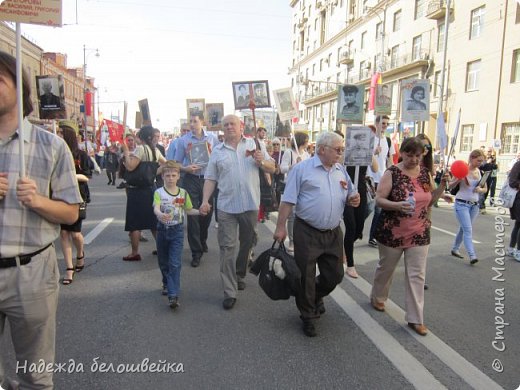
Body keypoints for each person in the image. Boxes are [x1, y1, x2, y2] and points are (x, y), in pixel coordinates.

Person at [0, 51, 82, 389]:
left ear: (20, 88)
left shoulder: (52, 147)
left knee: (34, 375)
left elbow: (70, 212)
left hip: (30, 273)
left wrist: (37, 201)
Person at [274, 132, 360, 337]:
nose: (341, 153)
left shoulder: (341, 170)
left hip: (332, 233)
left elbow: (350, 194)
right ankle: (308, 316)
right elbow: (288, 201)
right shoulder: (302, 169)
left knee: (335, 275)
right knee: (306, 276)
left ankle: (312, 297)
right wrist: (280, 227)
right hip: (307, 231)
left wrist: (353, 199)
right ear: (322, 149)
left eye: (342, 149)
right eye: (338, 149)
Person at [370, 137, 449, 336]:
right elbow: (379, 200)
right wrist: (397, 205)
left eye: (418, 155)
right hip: (393, 231)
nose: (414, 159)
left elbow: (430, 200)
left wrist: (442, 188)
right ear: (402, 153)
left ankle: (415, 318)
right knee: (386, 268)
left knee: (417, 275)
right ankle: (378, 296)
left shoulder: (424, 173)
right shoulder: (392, 173)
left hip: (420, 232)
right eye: (410, 154)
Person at [200, 114, 275, 310]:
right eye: (226, 125)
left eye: (233, 124)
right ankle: (229, 291)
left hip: (250, 205)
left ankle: (240, 273)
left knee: (247, 243)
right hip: (226, 207)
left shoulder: (255, 145)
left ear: (241, 126)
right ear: (222, 129)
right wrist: (205, 200)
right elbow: (210, 178)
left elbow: (272, 168)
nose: (229, 127)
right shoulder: (217, 151)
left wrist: (262, 162)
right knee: (227, 248)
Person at [153, 161, 200, 309]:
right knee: (163, 261)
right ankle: (166, 283)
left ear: (179, 176)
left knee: (174, 263)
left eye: (174, 175)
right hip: (162, 230)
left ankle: (173, 295)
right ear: (163, 176)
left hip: (177, 232)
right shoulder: (158, 192)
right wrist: (160, 214)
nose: (171, 178)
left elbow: (189, 210)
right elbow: (156, 208)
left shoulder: (183, 193)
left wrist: (201, 212)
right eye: (167, 175)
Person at [174, 113, 219, 267]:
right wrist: (185, 168)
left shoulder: (212, 138)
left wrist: (212, 154)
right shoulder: (183, 140)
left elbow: (219, 158)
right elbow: (177, 162)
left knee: (206, 213)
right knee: (192, 215)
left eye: (195, 121)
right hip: (191, 180)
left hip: (208, 179)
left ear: (202, 122)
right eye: (190, 121)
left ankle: (202, 239)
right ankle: (196, 252)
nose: (192, 124)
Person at [120, 126, 166, 261]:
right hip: (151, 188)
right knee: (153, 221)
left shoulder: (140, 149)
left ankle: (135, 253)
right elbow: (166, 164)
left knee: (135, 223)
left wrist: (126, 151)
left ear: (140, 137)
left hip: (137, 190)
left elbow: (130, 166)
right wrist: (152, 174)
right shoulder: (155, 150)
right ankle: (161, 248)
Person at [57, 120, 93, 285]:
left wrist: (69, 177)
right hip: (60, 196)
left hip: (78, 196)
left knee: (75, 234)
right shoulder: (55, 152)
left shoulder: (81, 155)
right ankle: (69, 269)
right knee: (64, 233)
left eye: (61, 132)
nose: (58, 135)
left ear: (68, 135)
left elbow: (86, 177)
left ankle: (80, 253)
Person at [342, 127, 379, 279]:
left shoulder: (367, 152)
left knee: (359, 229)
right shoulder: (346, 151)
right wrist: (346, 152)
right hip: (347, 191)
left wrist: (371, 153)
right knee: (350, 227)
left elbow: (375, 169)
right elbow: (338, 164)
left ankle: (344, 249)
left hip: (361, 190)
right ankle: (350, 264)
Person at [449, 149, 487, 265]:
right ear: (471, 158)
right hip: (461, 204)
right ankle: (472, 255)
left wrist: (480, 189)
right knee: (468, 229)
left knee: (464, 228)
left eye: (482, 161)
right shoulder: (463, 170)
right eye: (478, 160)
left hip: (474, 205)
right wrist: (458, 180)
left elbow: (485, 188)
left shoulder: (480, 172)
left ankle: (455, 248)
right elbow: (450, 185)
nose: (480, 163)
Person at [279, 131, 310, 253]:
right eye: (307, 140)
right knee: (291, 215)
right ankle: (292, 240)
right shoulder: (289, 152)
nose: (308, 143)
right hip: (291, 185)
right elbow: (282, 169)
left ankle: (301, 239)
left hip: (303, 187)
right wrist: (293, 165)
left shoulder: (306, 155)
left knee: (301, 213)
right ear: (301, 141)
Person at [367, 115, 395, 247]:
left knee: (379, 210)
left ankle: (373, 236)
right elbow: (363, 157)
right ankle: (357, 229)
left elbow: (389, 160)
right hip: (370, 178)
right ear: (376, 123)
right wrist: (374, 151)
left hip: (382, 178)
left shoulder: (388, 141)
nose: (385, 126)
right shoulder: (370, 139)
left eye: (387, 124)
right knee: (367, 209)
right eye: (383, 123)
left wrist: (393, 174)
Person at [506, 159, 520, 261]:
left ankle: (511, 249)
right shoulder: (518, 164)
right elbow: (512, 181)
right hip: (518, 198)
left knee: (518, 225)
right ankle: (518, 251)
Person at [478, 147, 498, 213]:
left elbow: (494, 168)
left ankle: (480, 204)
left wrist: (494, 163)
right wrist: (487, 163)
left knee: (486, 192)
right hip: (482, 177)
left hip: (489, 177)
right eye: (488, 151)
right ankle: (482, 207)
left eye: (490, 151)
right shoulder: (482, 158)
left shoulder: (491, 159)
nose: (489, 153)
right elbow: (480, 167)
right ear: (485, 152)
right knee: (482, 193)